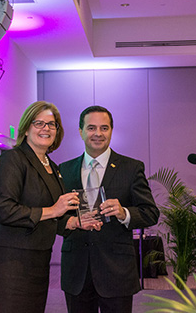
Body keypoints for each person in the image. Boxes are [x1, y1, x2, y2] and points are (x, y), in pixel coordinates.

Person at [57, 105, 160, 313]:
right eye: (91, 128)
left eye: (104, 128)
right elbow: (54, 216)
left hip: (117, 271)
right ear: (81, 132)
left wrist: (124, 213)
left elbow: (151, 212)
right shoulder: (64, 170)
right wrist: (70, 223)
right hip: (76, 271)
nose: (98, 134)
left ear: (111, 131)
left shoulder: (131, 168)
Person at [0, 101, 80, 313]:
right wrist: (54, 210)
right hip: (11, 262)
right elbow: (4, 210)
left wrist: (74, 222)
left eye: (51, 124)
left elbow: (53, 216)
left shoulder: (52, 166)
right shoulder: (12, 159)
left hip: (38, 259)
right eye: (39, 123)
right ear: (26, 129)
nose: (46, 128)